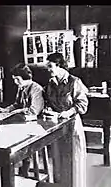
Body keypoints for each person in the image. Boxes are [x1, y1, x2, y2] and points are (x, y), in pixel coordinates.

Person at [43, 52, 88, 187]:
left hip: (72, 125)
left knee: (74, 161)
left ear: (60, 66)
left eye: (50, 66)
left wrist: (68, 112)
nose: (48, 70)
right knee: (57, 160)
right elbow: (48, 102)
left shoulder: (74, 82)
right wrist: (49, 110)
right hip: (57, 127)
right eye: (47, 67)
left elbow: (82, 104)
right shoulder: (51, 83)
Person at [0, 63, 44, 178]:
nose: (15, 82)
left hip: (35, 124)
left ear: (26, 77)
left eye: (17, 79)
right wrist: (5, 110)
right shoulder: (21, 87)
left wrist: (18, 111)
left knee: (22, 143)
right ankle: (14, 168)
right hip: (24, 122)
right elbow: (17, 104)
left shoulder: (36, 89)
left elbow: (34, 111)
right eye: (14, 79)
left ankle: (23, 172)